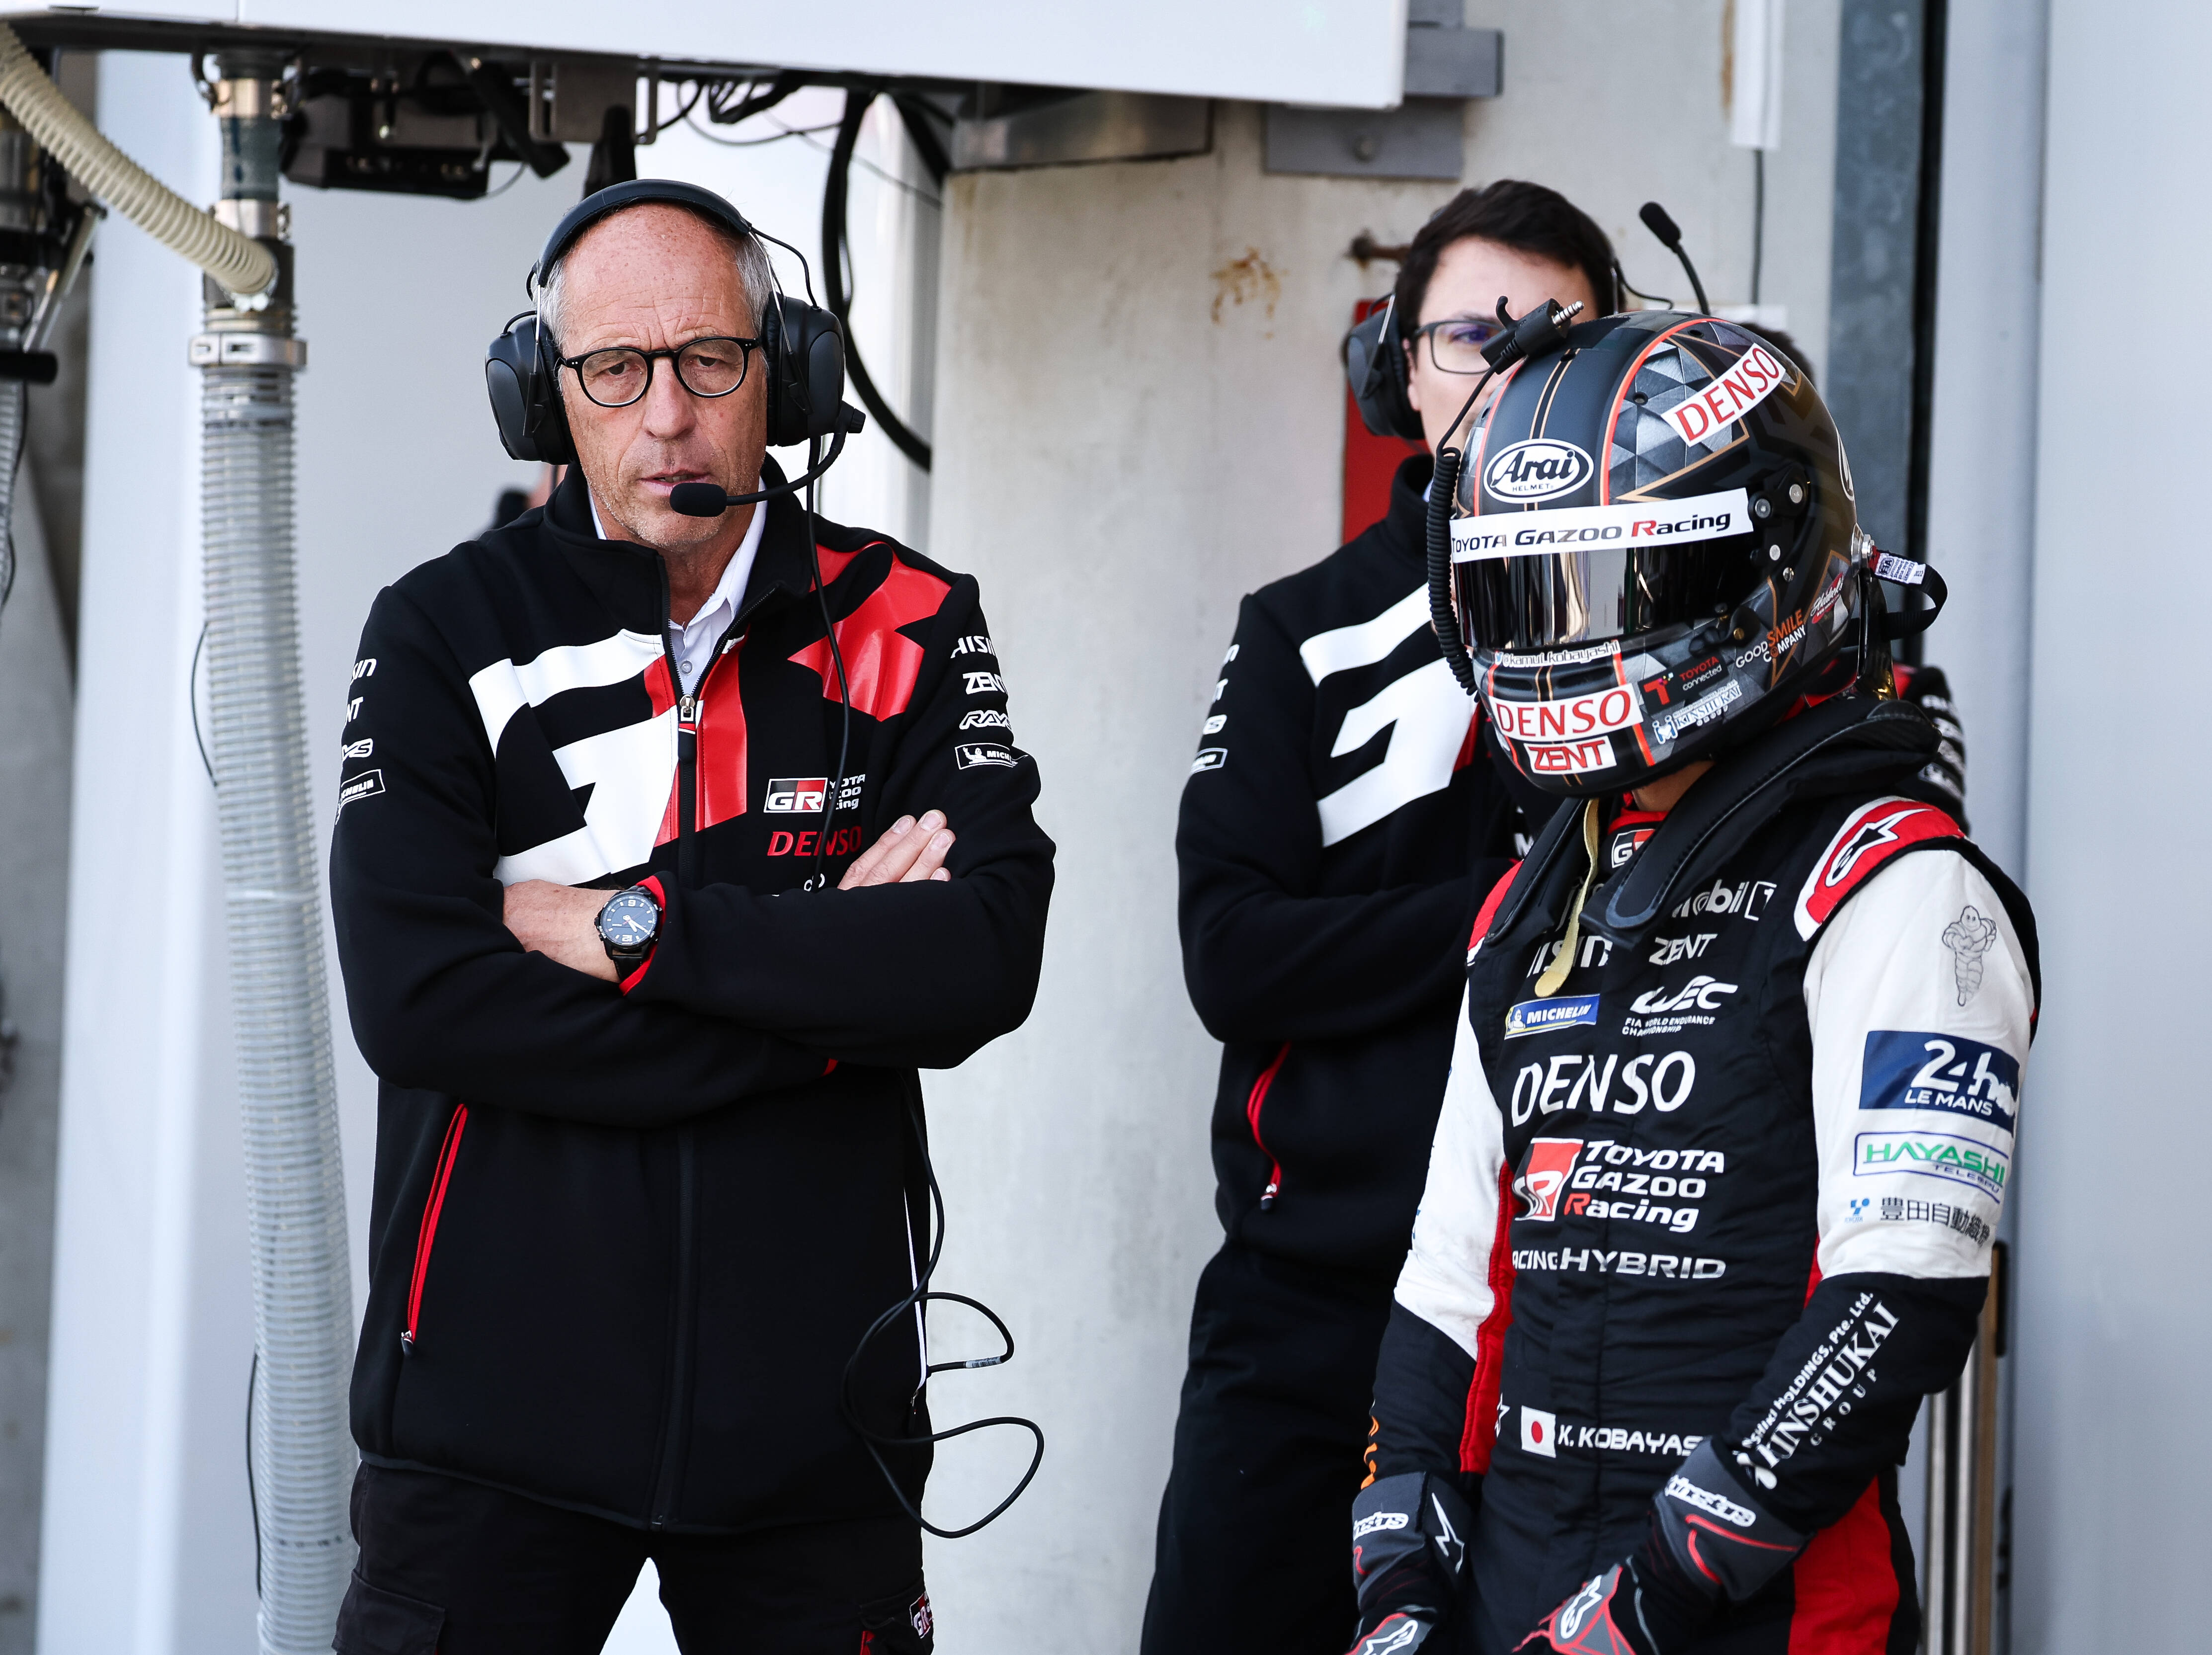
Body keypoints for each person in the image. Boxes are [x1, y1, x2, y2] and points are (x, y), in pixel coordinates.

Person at [327, 180, 1053, 1654]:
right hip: (488, 1430)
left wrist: (637, 933)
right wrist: (821, 995)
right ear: (548, 396)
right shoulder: (437, 630)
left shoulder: (911, 619)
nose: (667, 414)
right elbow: (419, 1001)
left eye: (708, 359)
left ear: (777, 371)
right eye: (615, 370)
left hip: (812, 1436)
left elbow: (980, 957)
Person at [1345, 307, 2036, 1654]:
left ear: (1758, 566)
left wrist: (1645, 1603)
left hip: (1756, 1616)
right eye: (1529, 588)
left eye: (1609, 586)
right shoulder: (1535, 890)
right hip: (1512, 1593)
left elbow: (1899, 1292)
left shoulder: (1895, 882)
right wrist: (1399, 1588)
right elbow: (1446, 1284)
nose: (1565, 635)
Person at [1141, 180, 1619, 1655]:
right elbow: (1231, 955)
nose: (1511, 369)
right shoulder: (1301, 626)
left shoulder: (1667, 625)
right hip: (1311, 1301)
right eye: (1476, 333)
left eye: (1560, 339)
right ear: (1397, 366)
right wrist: (1504, 907)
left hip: (1574, 1298)